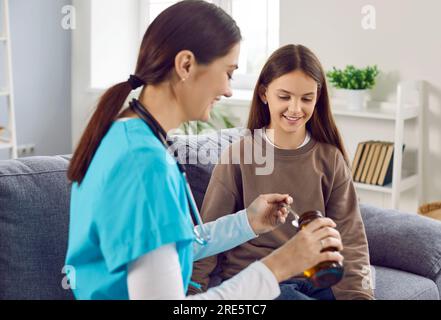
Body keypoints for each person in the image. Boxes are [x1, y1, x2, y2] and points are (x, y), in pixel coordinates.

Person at [65, 1, 343, 300]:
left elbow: (173, 247)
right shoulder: (144, 165)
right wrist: (279, 266)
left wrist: (247, 221)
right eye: (228, 73)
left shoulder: (124, 135)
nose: (228, 90)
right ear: (186, 65)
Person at [190, 44, 374, 300]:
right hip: (262, 279)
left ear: (318, 98)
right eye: (285, 97)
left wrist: (360, 295)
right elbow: (209, 233)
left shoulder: (330, 158)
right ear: (265, 94)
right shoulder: (239, 155)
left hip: (319, 280)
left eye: (306, 98)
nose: (296, 109)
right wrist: (192, 293)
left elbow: (352, 238)